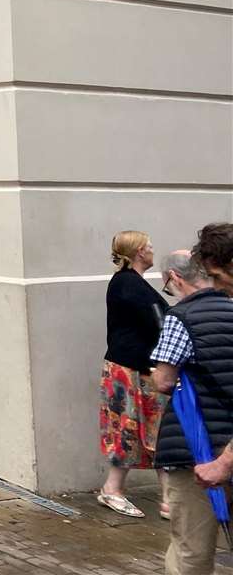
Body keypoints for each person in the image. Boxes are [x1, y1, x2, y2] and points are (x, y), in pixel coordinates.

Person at [154, 223, 233, 575]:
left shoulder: (180, 318)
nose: (219, 287)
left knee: (192, 552)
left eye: (220, 276)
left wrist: (223, 463)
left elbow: (164, 380)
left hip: (198, 449)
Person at [95, 230, 166, 518]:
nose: (152, 250)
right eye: (149, 246)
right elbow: (158, 320)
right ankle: (113, 490)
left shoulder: (134, 283)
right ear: (138, 252)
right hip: (127, 370)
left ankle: (169, 499)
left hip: (140, 368)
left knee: (156, 431)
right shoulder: (128, 284)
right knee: (127, 430)